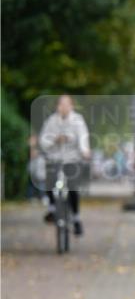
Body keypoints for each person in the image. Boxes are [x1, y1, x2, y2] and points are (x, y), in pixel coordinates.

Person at [38, 94, 91, 235]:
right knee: (49, 180)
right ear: (57, 106)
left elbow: (83, 137)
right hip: (54, 158)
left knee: (73, 187)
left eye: (67, 104)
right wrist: (55, 140)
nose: (64, 107)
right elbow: (43, 141)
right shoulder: (51, 121)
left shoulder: (78, 121)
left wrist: (85, 151)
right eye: (61, 104)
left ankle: (76, 218)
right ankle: (52, 209)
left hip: (72, 159)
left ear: (72, 106)